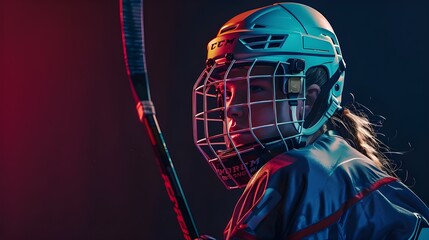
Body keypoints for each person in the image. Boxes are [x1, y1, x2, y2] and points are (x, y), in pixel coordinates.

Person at [192, 2, 429, 239]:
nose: (232, 109)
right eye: (227, 94)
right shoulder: (348, 167)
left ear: (308, 98)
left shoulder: (295, 173)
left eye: (255, 88)